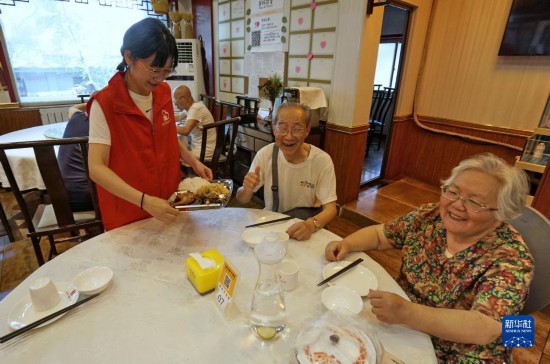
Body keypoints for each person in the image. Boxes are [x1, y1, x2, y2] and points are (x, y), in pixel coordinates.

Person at [325, 153, 534, 362]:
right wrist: (347, 244)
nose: (457, 205)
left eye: (474, 202)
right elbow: (381, 235)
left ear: (501, 213)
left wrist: (408, 313)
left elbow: (485, 328)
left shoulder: (512, 258)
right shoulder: (429, 217)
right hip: (402, 322)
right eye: (452, 192)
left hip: (462, 350)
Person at [88, 18, 212, 231]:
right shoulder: (105, 103)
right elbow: (96, 167)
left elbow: (167, 138)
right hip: (128, 209)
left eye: (166, 71)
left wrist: (193, 162)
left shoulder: (163, 93)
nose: (160, 78)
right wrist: (145, 201)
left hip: (168, 202)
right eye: (155, 69)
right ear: (129, 56)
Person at [236, 103, 337, 241]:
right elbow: (242, 199)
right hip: (271, 228)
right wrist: (247, 188)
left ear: (307, 130)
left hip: (303, 227)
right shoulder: (265, 155)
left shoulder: (322, 161)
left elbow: (331, 209)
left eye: (297, 128)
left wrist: (310, 225)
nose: (289, 136)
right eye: (282, 128)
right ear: (273, 128)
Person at [58, 103, 92, 212]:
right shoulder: (103, 126)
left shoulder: (77, 117)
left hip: (61, 196)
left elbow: (72, 108)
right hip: (89, 200)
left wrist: (90, 102)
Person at [173, 85, 216, 161]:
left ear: (184, 99)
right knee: (177, 148)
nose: (175, 104)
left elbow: (185, 131)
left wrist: (167, 127)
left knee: (174, 156)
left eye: (175, 100)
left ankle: (188, 172)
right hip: (198, 147)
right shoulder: (192, 106)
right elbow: (178, 117)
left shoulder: (195, 109)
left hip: (204, 151)